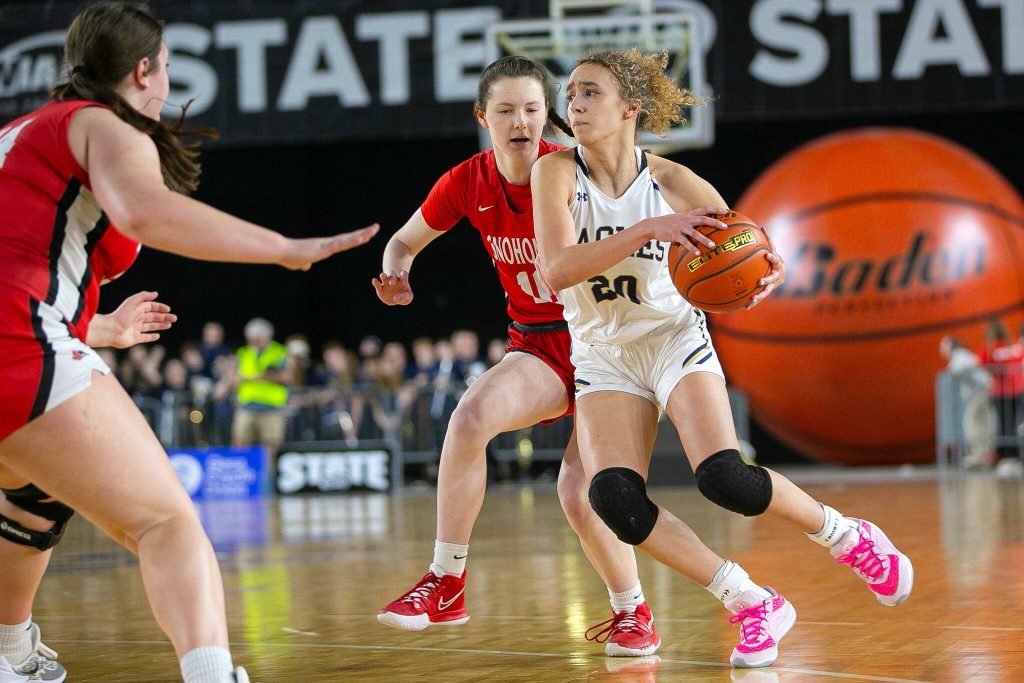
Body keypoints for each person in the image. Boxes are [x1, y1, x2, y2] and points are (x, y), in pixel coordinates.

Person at [0, 4, 378, 682]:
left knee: (29, 493)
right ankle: (210, 674)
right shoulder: (100, 125)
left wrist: (98, 327)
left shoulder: (18, 133)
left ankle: (8, 651)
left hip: (23, 335)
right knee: (167, 522)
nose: (167, 78)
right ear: (144, 70)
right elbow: (144, 210)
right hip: (16, 346)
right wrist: (285, 250)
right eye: (167, 65)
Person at [531, 48, 913, 668]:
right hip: (604, 352)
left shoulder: (675, 182)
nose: (574, 103)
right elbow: (556, 268)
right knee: (614, 500)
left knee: (725, 479)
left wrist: (769, 267)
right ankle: (748, 600)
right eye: (571, 93)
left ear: (631, 108)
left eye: (591, 93)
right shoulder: (556, 176)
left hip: (674, 338)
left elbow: (744, 243)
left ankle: (848, 537)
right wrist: (648, 232)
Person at [372, 55, 662, 657]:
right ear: (484, 118)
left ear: (546, 116)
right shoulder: (467, 181)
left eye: (532, 108)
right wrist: (395, 268)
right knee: (470, 416)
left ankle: (633, 611)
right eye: (505, 110)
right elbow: (404, 239)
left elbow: (650, 213)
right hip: (539, 344)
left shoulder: (576, 173)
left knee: (581, 497)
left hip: (609, 345)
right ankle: (446, 579)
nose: (520, 120)